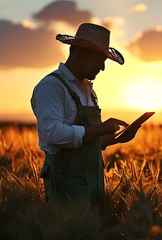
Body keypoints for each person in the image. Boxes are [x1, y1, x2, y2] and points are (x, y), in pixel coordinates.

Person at [31, 23, 140, 207]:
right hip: (67, 189)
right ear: (79, 52)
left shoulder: (87, 89)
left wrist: (115, 139)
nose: (103, 68)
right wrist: (101, 128)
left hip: (94, 185)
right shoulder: (52, 86)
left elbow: (87, 145)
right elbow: (52, 134)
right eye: (99, 59)